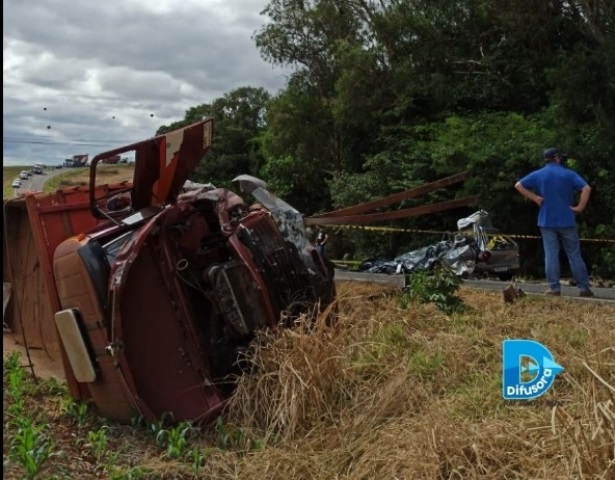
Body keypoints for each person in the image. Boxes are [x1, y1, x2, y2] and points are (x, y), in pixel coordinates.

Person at [514, 147, 593, 297]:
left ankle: (554, 288)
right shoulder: (568, 174)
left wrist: (535, 198)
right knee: (574, 254)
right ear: (557, 158)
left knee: (551, 255)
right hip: (567, 219)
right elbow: (586, 188)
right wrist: (580, 207)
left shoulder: (539, 175)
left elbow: (518, 185)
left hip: (546, 220)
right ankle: (584, 288)